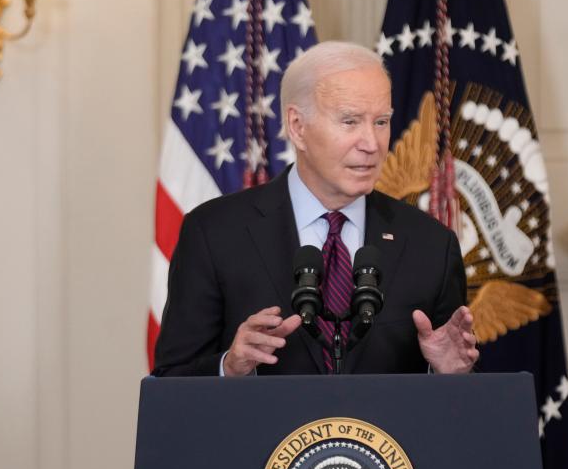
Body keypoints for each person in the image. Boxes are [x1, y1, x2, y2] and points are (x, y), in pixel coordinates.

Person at [153, 41, 478, 377]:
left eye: (381, 122)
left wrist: (449, 374)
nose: (371, 144)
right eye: (350, 121)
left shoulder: (431, 245)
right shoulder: (214, 233)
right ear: (297, 126)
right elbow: (171, 383)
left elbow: (461, 409)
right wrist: (229, 368)